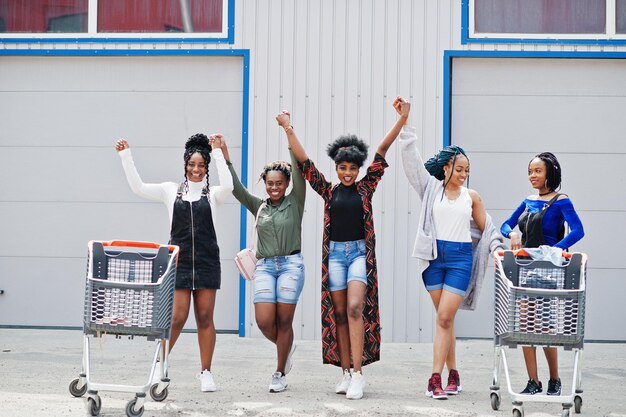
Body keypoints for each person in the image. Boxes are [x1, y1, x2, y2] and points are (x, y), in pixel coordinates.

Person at [277, 97, 410, 400]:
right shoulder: (327, 190)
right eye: (342, 167)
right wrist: (288, 128)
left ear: (359, 169)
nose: (348, 173)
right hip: (335, 255)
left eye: (352, 168)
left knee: (354, 308)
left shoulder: (366, 187)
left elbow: (382, 150)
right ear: (336, 168)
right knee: (338, 314)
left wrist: (402, 120)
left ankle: (360, 374)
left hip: (358, 254)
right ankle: (346, 372)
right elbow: (305, 162)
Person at [115, 133, 232, 392]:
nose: (196, 170)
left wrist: (218, 152)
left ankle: (206, 373)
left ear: (207, 167)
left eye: (202, 165)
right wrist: (126, 156)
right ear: (185, 165)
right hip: (179, 263)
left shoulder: (213, 194)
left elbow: (230, 185)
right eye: (192, 164)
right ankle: (159, 365)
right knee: (177, 318)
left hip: (207, 262)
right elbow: (138, 187)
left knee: (204, 317)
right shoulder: (170, 190)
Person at [399, 122, 503, 400]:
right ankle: (454, 372)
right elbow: (412, 163)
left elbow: (488, 228)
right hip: (434, 260)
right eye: (459, 169)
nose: (463, 174)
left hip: (459, 260)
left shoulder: (472, 197)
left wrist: (497, 250)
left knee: (444, 317)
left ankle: (435, 379)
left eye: (467, 171)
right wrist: (405, 125)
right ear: (446, 168)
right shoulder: (431, 189)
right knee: (445, 321)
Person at [218, 126, 305, 394]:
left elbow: (299, 166)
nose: (275, 187)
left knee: (284, 321)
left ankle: (279, 372)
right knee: (265, 321)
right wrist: (224, 154)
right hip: (265, 266)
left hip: (291, 265)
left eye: (279, 183)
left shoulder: (296, 201)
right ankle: (286, 347)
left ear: (287, 184)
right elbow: (236, 189)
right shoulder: (260, 206)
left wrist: (288, 130)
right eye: (270, 183)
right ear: (265, 184)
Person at [500, 152, 584, 396]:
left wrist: (553, 250)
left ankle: (554, 380)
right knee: (525, 325)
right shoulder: (528, 200)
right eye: (529, 171)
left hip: (549, 272)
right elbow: (507, 224)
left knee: (545, 327)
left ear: (550, 173)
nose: (532, 176)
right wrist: (513, 235)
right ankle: (533, 381)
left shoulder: (561, 201)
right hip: (525, 270)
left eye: (538, 171)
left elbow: (578, 231)